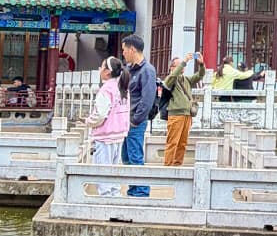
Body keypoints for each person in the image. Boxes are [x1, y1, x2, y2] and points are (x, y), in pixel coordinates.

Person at [85, 56, 131, 198]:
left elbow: (100, 114)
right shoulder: (122, 87)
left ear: (107, 72)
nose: (100, 69)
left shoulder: (106, 89)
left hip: (106, 136)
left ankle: (105, 203)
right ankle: (115, 200)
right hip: (119, 134)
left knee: (103, 171)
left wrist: (88, 121)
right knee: (114, 171)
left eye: (101, 67)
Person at [120, 34, 158, 199]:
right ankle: (133, 188)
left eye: (124, 50)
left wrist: (136, 120)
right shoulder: (130, 69)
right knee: (126, 155)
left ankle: (141, 191)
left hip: (135, 120)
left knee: (135, 155)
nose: (123, 54)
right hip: (126, 120)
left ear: (132, 49)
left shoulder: (147, 70)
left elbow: (147, 98)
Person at [160, 52, 204, 166]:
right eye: (179, 65)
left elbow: (200, 75)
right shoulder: (170, 79)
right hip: (176, 115)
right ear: (172, 67)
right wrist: (184, 62)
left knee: (183, 143)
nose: (183, 67)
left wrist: (201, 64)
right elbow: (173, 76)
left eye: (183, 65)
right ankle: (168, 166)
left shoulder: (187, 80)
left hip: (187, 115)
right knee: (172, 142)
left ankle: (178, 164)